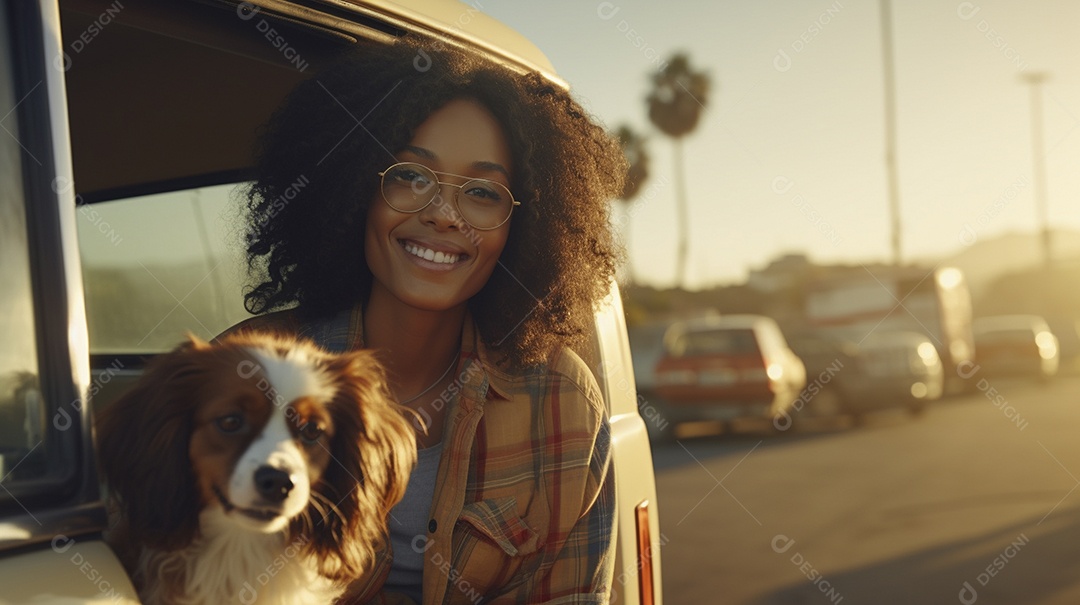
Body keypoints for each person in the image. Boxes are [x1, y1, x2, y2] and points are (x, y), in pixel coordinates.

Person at [226, 39, 625, 604]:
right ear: (356, 188)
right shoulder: (245, 374)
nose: (442, 213)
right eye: (411, 176)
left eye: (483, 192)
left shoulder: (562, 402)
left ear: (522, 227)